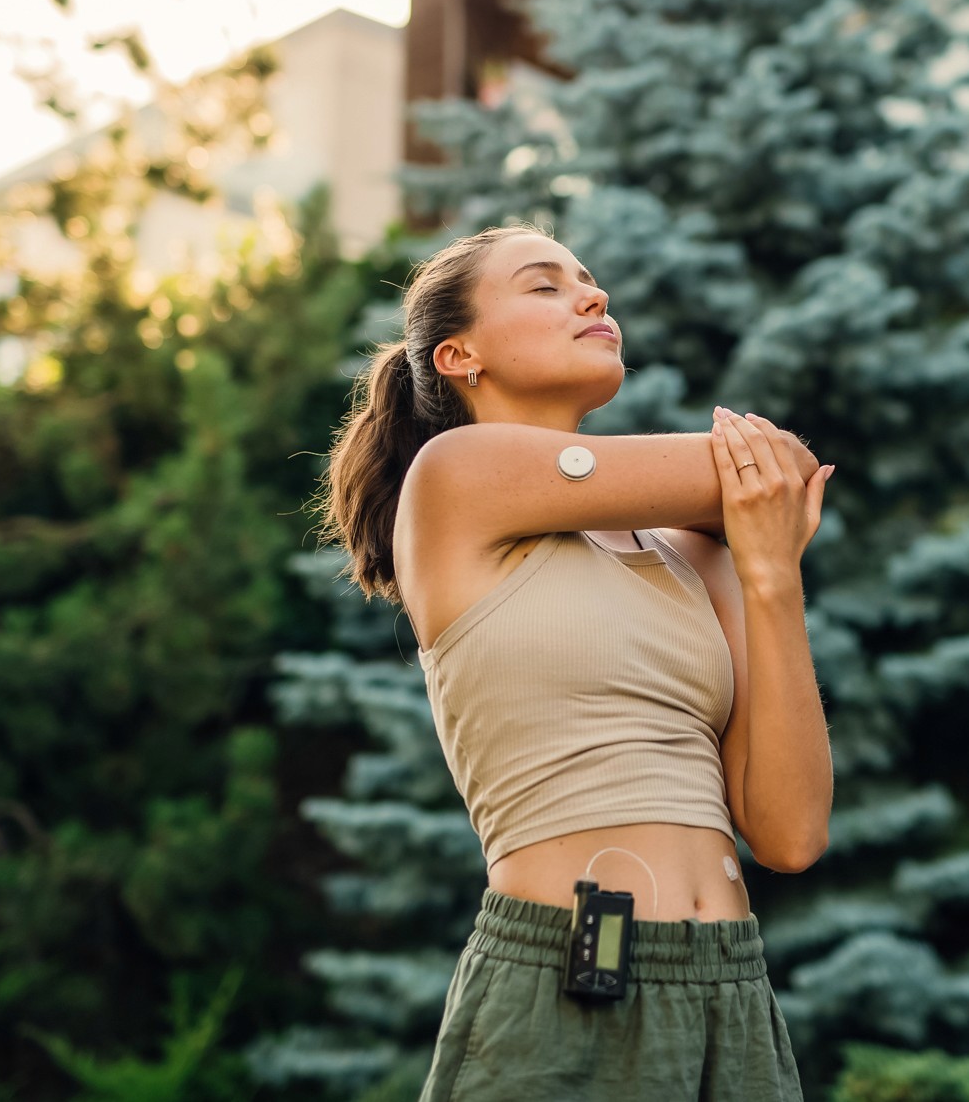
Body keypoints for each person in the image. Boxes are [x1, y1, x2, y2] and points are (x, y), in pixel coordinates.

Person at [314, 222, 834, 1100]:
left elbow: (789, 833)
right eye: (544, 284)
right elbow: (765, 467)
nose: (592, 297)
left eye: (590, 280)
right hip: (568, 980)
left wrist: (771, 576)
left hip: (733, 992)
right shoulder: (456, 477)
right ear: (458, 354)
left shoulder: (694, 551)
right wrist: (757, 504)